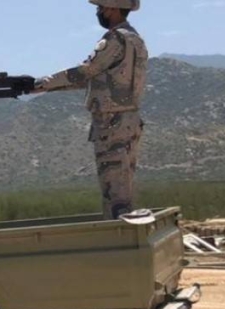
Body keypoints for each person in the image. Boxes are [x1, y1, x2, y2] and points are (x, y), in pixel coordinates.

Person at [34, 0, 147, 220]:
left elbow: (87, 70)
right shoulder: (136, 39)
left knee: (113, 189)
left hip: (111, 121)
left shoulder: (115, 38)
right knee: (122, 186)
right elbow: (95, 78)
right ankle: (123, 229)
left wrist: (44, 82)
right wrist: (44, 88)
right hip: (129, 119)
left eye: (100, 7)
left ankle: (119, 235)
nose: (99, 12)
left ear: (112, 8)